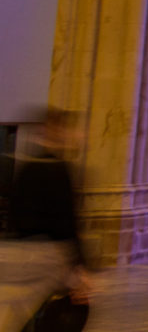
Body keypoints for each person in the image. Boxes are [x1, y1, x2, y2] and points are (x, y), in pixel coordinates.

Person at [0, 107, 89, 332]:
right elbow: (67, 222)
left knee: (12, 314)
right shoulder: (60, 169)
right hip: (49, 255)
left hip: (18, 252)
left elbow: (15, 212)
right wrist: (81, 266)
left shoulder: (26, 166)